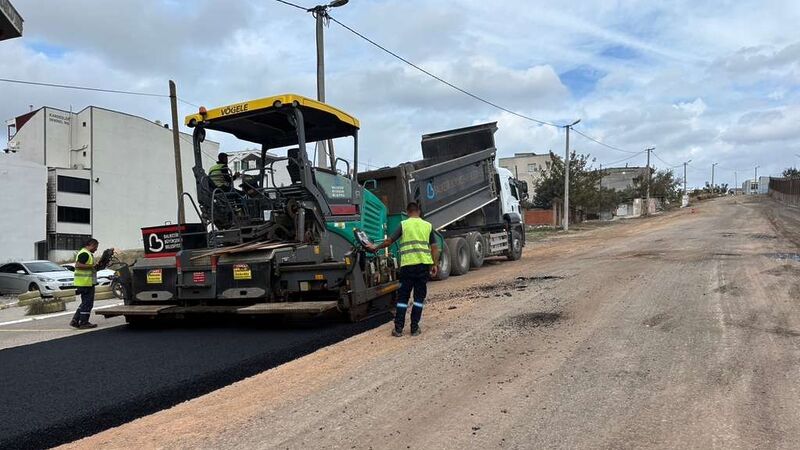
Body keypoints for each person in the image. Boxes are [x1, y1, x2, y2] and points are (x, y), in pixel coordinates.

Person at [368, 202, 439, 337]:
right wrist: (434, 264)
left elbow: (389, 241)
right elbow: (434, 248)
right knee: (419, 298)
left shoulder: (404, 224)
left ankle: (399, 329)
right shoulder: (427, 226)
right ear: (419, 211)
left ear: (407, 212)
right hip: (423, 266)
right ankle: (414, 328)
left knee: (403, 298)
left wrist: (375, 247)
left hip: (407, 267)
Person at [69, 238, 100, 329]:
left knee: (84, 303)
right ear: (91, 245)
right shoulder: (84, 254)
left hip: (85, 283)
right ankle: (84, 322)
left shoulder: (86, 253)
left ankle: (75, 320)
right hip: (86, 283)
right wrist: (92, 266)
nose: (96, 249)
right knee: (88, 303)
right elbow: (78, 265)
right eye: (96, 247)